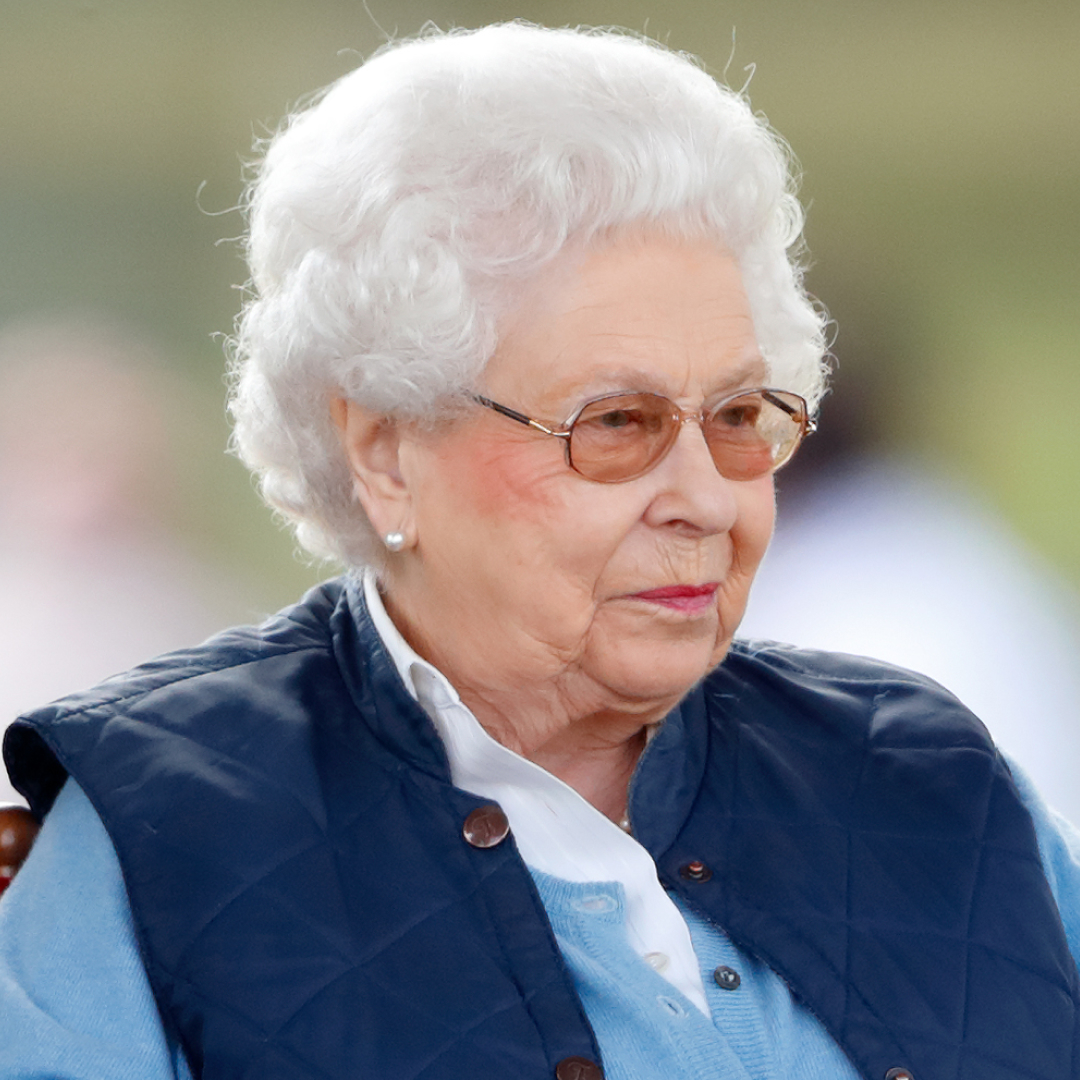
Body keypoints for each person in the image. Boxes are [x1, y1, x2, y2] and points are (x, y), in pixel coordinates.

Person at [2, 23, 1078, 1080]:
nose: (708, 498)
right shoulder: (158, 835)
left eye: (742, 415)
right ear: (385, 450)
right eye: (616, 424)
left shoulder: (933, 779)